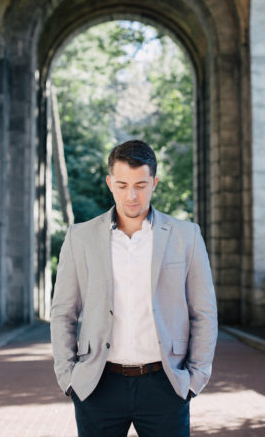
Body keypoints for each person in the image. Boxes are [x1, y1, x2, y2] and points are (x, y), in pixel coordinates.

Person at [50, 139, 217, 437]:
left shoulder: (186, 236)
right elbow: (63, 312)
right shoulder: (80, 238)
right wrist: (68, 377)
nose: (131, 195)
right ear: (109, 183)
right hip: (98, 385)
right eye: (122, 184)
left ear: (154, 182)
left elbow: (203, 312)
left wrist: (195, 379)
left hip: (165, 384)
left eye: (141, 185)